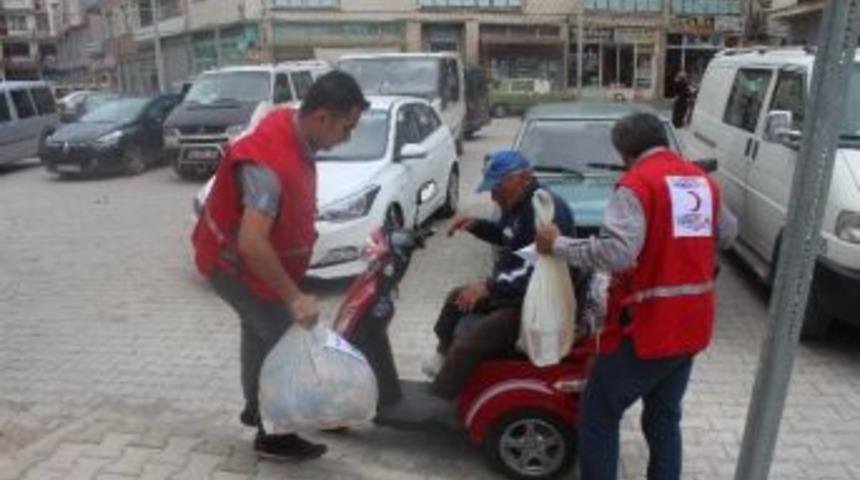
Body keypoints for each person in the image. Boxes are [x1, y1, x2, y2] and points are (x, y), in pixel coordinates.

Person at [535, 113, 737, 480]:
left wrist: (558, 244)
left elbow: (618, 254)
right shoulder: (700, 181)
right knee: (663, 417)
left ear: (623, 151)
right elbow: (727, 234)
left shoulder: (637, 185)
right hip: (692, 325)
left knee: (598, 415)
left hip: (648, 329)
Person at [191, 71, 368, 460]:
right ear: (322, 117)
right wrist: (295, 298)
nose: (347, 137)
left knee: (258, 336)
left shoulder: (292, 125)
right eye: (346, 127)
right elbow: (252, 243)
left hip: (247, 264)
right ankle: (274, 434)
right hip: (235, 266)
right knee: (284, 344)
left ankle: (258, 414)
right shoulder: (269, 167)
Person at [423, 149, 579, 400]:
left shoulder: (545, 212)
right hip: (513, 290)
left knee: (468, 346)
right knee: (456, 299)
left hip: (533, 301)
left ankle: (440, 402)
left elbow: (535, 272)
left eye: (497, 188)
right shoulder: (517, 202)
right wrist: (477, 226)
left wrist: (489, 287)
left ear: (523, 178)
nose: (494, 196)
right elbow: (507, 237)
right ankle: (444, 356)